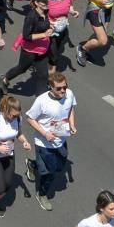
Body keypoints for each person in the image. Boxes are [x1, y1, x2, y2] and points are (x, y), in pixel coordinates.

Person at [25, 72, 78, 211]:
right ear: (51, 87)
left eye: (65, 87)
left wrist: (72, 124)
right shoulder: (42, 101)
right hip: (44, 143)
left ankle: (32, 164)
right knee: (49, 172)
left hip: (61, 139)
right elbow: (30, 118)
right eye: (59, 88)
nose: (63, 91)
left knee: (60, 166)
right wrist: (45, 133)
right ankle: (42, 194)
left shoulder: (69, 94)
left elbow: (71, 108)